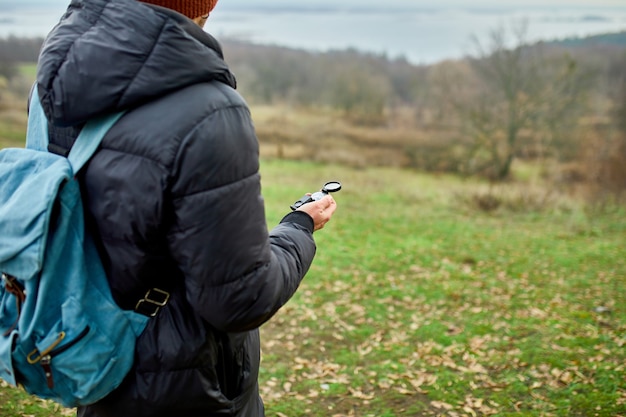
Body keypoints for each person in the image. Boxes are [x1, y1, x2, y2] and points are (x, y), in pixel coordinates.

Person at [33, 0, 337, 416]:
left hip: (86, 351)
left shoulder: (55, 83)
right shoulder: (209, 111)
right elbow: (241, 298)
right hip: (186, 383)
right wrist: (299, 226)